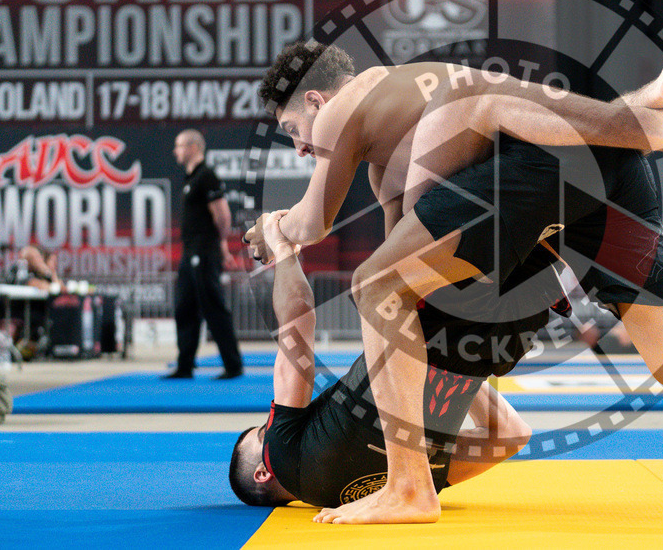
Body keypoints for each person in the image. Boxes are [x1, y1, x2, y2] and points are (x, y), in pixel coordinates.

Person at [247, 10, 663, 526]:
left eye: (293, 132)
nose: (303, 147)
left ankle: (410, 484)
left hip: (536, 173)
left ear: (312, 102)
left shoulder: (344, 108)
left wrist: (273, 234)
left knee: (372, 284)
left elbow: (312, 224)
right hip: (603, 179)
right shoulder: (407, 119)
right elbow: (416, 251)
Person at [231, 212, 564, 513]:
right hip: (443, 311)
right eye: (264, 431)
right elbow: (297, 317)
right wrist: (282, 250)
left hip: (513, 331)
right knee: (397, 205)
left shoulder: (415, 481)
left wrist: (441, 373)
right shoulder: (282, 455)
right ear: (263, 473)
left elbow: (511, 436)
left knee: (551, 205)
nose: (271, 426)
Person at [163, 129, 243, 380]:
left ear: (193, 147)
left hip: (204, 253)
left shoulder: (206, 176)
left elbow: (223, 216)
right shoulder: (190, 179)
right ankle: (185, 365)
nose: (175, 151)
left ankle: (233, 365)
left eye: (179, 146)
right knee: (184, 307)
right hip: (190, 253)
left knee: (213, 306)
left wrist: (219, 245)